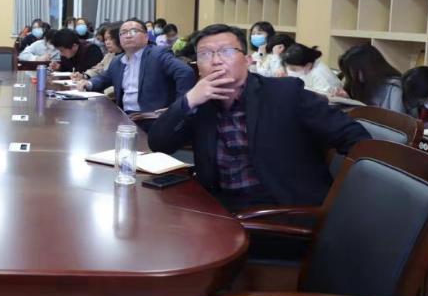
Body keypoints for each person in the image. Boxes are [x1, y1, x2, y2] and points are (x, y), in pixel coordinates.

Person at [146, 23, 369, 210]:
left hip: (277, 214)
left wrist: (348, 201)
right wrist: (189, 100)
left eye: (226, 51)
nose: (216, 61)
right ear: (198, 66)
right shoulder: (201, 102)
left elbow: (356, 139)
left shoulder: (285, 94)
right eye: (205, 54)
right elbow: (159, 143)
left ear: (247, 60)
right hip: (219, 208)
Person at [78, 19, 195, 129]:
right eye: (123, 33)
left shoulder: (157, 54)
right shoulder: (117, 61)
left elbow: (185, 72)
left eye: (134, 31)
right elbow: (104, 78)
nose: (128, 35)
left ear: (146, 37)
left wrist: (178, 107)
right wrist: (88, 83)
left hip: (152, 118)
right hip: (125, 117)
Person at [338, 44, 409, 114]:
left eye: (356, 72)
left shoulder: (394, 88)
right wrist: (346, 100)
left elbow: (397, 119)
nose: (358, 77)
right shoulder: (359, 84)